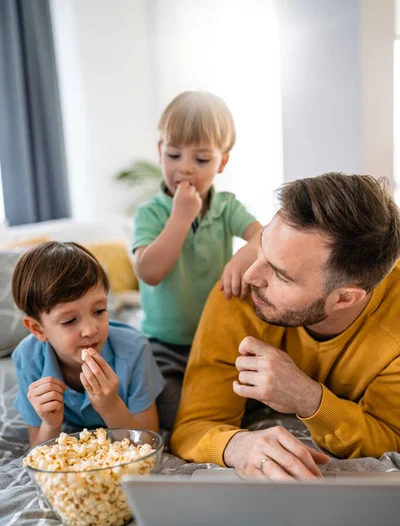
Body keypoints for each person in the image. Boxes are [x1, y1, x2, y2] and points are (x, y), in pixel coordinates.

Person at [170, 172, 400, 480]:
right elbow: (192, 426)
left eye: (281, 275)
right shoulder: (238, 292)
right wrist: (238, 446)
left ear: (345, 298)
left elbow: (390, 437)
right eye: (262, 245)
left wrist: (309, 399)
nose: (251, 274)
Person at [132, 90, 262, 431]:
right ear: (161, 152)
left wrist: (245, 254)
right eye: (174, 154)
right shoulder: (151, 212)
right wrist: (180, 218)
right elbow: (149, 272)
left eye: (201, 160)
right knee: (173, 416)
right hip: (165, 346)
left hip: (218, 340)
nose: (185, 168)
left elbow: (265, 236)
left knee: (246, 404)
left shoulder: (227, 206)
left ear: (222, 162)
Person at [11, 241, 163, 447]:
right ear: (38, 329)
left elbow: (148, 445)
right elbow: (38, 452)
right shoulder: (27, 359)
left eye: (99, 310)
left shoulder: (134, 349)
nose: (91, 330)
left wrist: (110, 406)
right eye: (70, 321)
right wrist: (50, 424)